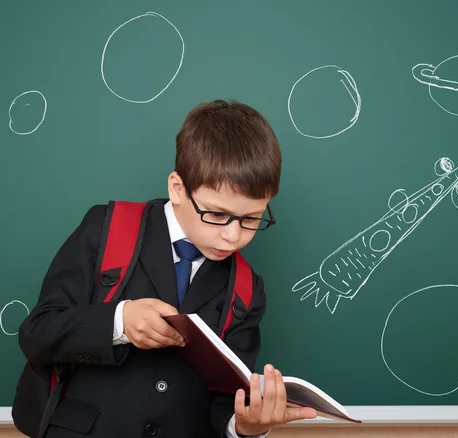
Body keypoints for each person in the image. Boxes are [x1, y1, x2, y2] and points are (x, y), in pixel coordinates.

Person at [17, 100, 317, 437]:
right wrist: (120, 322)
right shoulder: (107, 228)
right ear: (177, 188)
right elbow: (37, 333)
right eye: (216, 214)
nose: (232, 236)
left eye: (251, 219)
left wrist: (244, 426)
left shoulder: (247, 289)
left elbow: (225, 398)